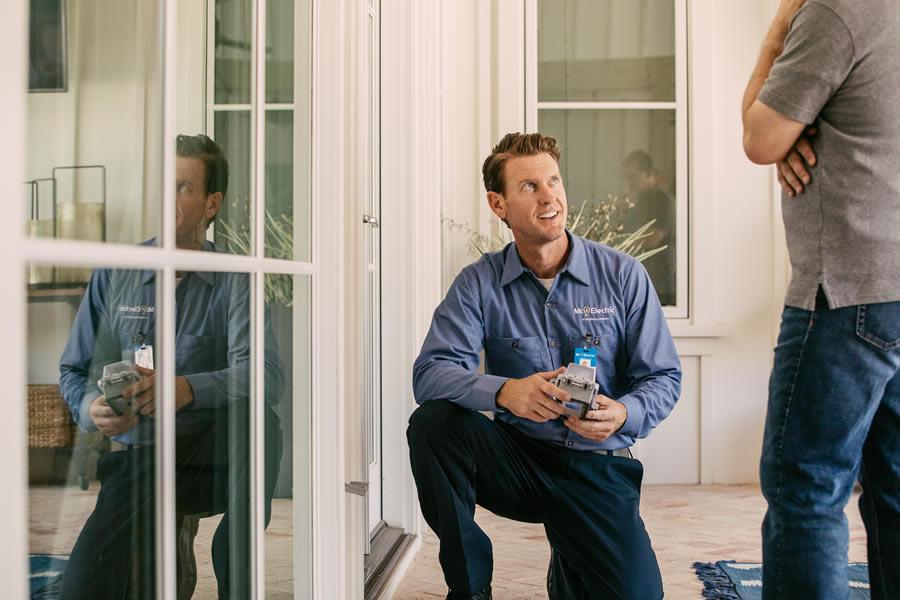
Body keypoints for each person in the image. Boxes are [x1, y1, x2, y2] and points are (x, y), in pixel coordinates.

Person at [407, 132, 681, 599]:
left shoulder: (622, 275)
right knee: (433, 423)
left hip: (598, 467)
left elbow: (663, 376)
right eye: (530, 186)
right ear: (499, 204)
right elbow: (430, 373)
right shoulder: (479, 283)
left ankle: (570, 561)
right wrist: (504, 391)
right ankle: (470, 589)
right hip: (520, 462)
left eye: (554, 180)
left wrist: (624, 414)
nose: (549, 195)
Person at [58, 134, 285, 600]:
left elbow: (268, 374)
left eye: (183, 187)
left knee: (260, 422)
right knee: (83, 587)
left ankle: (237, 577)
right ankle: (162, 542)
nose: (169, 197)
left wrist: (185, 389)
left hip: (213, 457)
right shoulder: (115, 272)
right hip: (139, 459)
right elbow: (72, 372)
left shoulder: (237, 278)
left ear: (210, 204)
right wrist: (92, 409)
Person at [742, 1, 900, 598]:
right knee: (897, 485)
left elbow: (759, 135)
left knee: (806, 485)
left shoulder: (836, 11)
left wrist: (778, 29)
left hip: (848, 293)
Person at [622, 150, 676, 306]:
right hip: (638, 280)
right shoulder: (636, 200)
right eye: (626, 177)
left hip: (658, 284)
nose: (629, 182)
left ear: (649, 173)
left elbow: (653, 239)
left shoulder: (662, 199)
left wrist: (617, 246)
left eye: (633, 176)